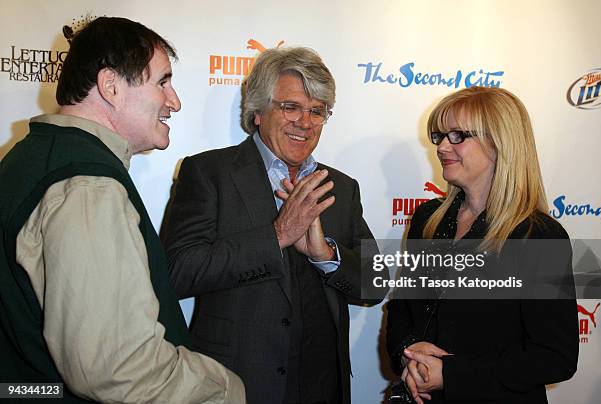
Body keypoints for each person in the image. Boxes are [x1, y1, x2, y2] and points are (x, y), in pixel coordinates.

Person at [0, 17, 244, 403]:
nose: (175, 100)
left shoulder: (33, 158)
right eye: (163, 82)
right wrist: (227, 390)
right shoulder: (87, 185)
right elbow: (118, 368)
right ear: (111, 86)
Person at [162, 47, 386, 404]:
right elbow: (176, 272)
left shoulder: (341, 187)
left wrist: (325, 254)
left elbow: (375, 285)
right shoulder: (208, 173)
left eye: (317, 111)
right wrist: (278, 235)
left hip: (322, 386)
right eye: (291, 107)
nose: (305, 122)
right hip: (235, 384)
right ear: (257, 113)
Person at [385, 86, 578, 403]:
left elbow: (555, 355)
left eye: (459, 135)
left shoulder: (537, 235)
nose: (443, 146)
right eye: (440, 136)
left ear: (499, 144)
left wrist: (450, 374)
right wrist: (408, 353)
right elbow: (402, 306)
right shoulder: (428, 219)